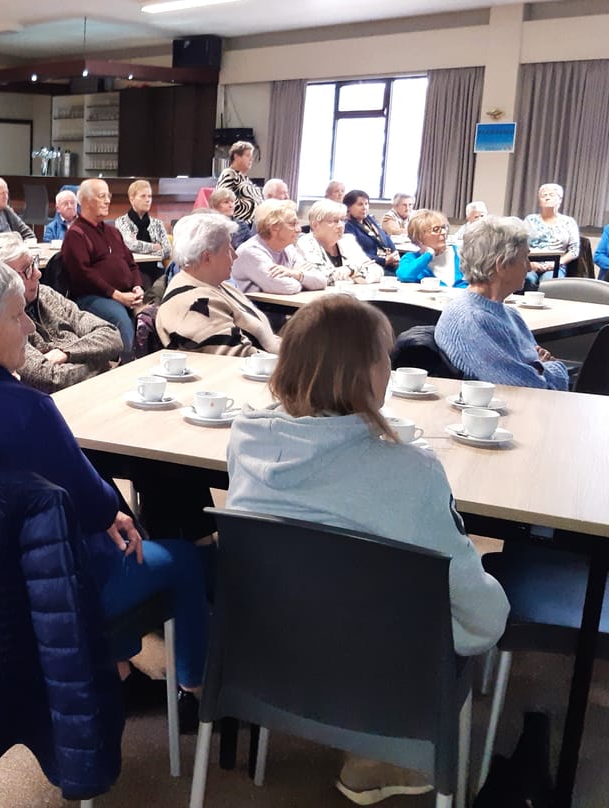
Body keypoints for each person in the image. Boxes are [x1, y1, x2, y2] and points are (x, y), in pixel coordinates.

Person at [225, 293, 509, 805]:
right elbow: (481, 619)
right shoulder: (411, 472)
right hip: (381, 675)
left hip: (268, 653)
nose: (390, 368)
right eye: (383, 357)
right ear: (359, 374)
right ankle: (382, 751)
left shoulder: (246, 441)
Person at [0, 253, 210, 710]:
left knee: (115, 529)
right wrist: (106, 511)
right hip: (51, 587)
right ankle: (197, 687)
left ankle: (117, 667)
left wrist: (102, 511)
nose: (30, 329)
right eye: (16, 317)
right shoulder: (26, 408)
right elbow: (94, 502)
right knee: (181, 556)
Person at [0, 232, 121, 393]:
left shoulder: (45, 293)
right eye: (28, 269)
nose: (38, 274)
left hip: (98, 389)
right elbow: (50, 379)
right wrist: (102, 360)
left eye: (34, 264)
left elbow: (111, 334)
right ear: (1, 281)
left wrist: (66, 353)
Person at [436, 217, 568, 390]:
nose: (529, 267)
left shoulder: (508, 313)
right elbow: (527, 386)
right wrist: (553, 368)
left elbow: (534, 369)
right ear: (502, 265)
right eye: (525, 258)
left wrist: (539, 368)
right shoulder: (472, 319)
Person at [157, 212, 280, 355]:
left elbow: (268, 338)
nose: (235, 255)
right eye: (228, 249)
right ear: (207, 257)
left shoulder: (219, 285)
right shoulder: (194, 303)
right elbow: (239, 357)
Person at [61, 179, 144, 362]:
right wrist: (116, 295)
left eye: (108, 196)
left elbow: (132, 264)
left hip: (124, 294)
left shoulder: (113, 232)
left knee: (150, 316)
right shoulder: (76, 234)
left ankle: (144, 363)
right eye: (102, 196)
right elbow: (83, 275)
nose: (107, 201)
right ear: (86, 201)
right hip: (92, 297)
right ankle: (126, 368)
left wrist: (137, 286)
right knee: (120, 319)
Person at [230, 199, 325, 294]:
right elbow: (288, 287)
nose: (299, 229)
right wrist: (305, 279)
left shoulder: (288, 248)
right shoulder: (251, 251)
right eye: (292, 224)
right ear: (274, 227)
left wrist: (296, 274)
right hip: (255, 307)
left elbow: (322, 280)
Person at [295, 200, 380, 284]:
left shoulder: (347, 240)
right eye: (334, 221)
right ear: (315, 225)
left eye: (343, 220)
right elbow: (320, 278)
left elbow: (376, 270)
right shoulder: (306, 243)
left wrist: (351, 270)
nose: (340, 226)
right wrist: (356, 272)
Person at [114, 180, 172, 281]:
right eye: (143, 196)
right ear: (132, 199)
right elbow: (130, 245)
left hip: (155, 268)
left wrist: (145, 251)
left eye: (149, 196)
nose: (147, 200)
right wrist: (154, 247)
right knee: (145, 282)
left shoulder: (157, 223)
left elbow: (167, 250)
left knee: (168, 282)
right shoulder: (121, 222)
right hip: (133, 269)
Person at [524, 182, 579, 285]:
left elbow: (574, 251)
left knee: (548, 284)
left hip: (556, 264)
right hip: (531, 263)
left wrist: (557, 263)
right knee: (527, 281)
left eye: (551, 195)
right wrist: (530, 263)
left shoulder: (569, 222)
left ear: (560, 199)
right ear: (539, 201)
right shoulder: (530, 220)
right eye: (543, 195)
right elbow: (519, 245)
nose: (547, 198)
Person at [395, 209, 467, 288]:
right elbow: (404, 276)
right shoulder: (411, 258)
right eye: (436, 229)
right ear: (419, 236)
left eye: (443, 228)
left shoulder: (461, 253)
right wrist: (428, 255)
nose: (443, 232)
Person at [215, 140, 263, 241]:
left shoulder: (245, 178)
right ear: (236, 156)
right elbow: (224, 199)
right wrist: (251, 210)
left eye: (251, 156)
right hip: (241, 225)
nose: (251, 159)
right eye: (247, 155)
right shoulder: (229, 174)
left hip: (254, 223)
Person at [344, 189, 399, 272]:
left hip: (389, 262)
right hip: (371, 267)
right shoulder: (347, 227)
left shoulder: (369, 219)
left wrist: (395, 254)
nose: (364, 207)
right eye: (360, 204)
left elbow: (385, 237)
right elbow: (357, 255)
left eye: (366, 204)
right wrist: (384, 261)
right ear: (348, 207)